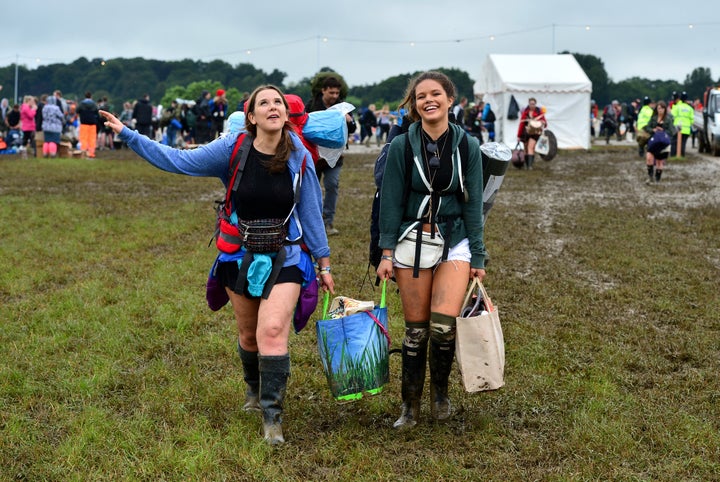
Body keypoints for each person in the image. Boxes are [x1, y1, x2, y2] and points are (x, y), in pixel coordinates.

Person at [99, 84, 334, 445]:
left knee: (271, 331)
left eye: (279, 103)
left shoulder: (298, 155)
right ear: (251, 117)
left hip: (287, 253)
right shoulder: (232, 149)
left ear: (286, 115)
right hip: (238, 254)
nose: (273, 107)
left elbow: (311, 210)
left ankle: (273, 417)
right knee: (248, 334)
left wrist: (323, 260)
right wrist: (129, 135)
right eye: (264, 103)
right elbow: (178, 160)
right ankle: (253, 392)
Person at [376, 71, 487, 429]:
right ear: (414, 105)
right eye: (420, 96)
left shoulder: (468, 145)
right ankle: (410, 406)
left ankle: (441, 395)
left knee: (443, 326)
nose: (428, 100)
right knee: (417, 329)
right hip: (413, 240)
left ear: (450, 100)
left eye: (435, 94)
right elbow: (390, 202)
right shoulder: (401, 146)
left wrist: (479, 256)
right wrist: (387, 253)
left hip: (454, 241)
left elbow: (474, 205)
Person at [306, 74, 357, 236]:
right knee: (311, 188)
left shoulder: (342, 108)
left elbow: (353, 129)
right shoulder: (311, 106)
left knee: (332, 185)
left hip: (335, 158)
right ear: (323, 91)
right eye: (331, 93)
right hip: (314, 156)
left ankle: (328, 221)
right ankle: (312, 221)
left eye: (337, 93)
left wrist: (350, 121)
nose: (334, 96)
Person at [642, 100, 675, 185]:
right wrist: (653, 130)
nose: (660, 110)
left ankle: (657, 179)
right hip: (653, 141)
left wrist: (663, 131)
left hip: (663, 143)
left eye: (662, 108)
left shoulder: (668, 119)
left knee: (659, 161)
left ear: (665, 109)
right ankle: (650, 177)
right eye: (658, 108)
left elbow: (672, 131)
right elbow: (647, 127)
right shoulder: (653, 118)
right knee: (649, 157)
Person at [517, 97, 547, 169]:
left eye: (533, 104)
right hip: (525, 133)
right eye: (531, 104)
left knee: (530, 147)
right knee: (526, 148)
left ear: (535, 104)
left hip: (535, 133)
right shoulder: (525, 112)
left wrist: (542, 122)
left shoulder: (539, 112)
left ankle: (529, 166)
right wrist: (518, 135)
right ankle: (526, 164)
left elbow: (545, 124)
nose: (532, 105)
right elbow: (521, 124)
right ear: (529, 104)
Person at [671, 91, 693, 157]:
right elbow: (692, 120)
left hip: (677, 128)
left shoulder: (677, 106)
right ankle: (682, 155)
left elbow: (672, 116)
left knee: (675, 142)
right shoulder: (690, 108)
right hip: (686, 129)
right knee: (683, 143)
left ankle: (673, 155)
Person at [77, 92, 99, 158]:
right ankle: (91, 153)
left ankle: (84, 152)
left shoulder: (81, 104)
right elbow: (97, 113)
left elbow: (77, 111)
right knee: (92, 138)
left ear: (85, 96)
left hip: (84, 123)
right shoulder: (94, 104)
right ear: (91, 96)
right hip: (92, 123)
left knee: (83, 138)